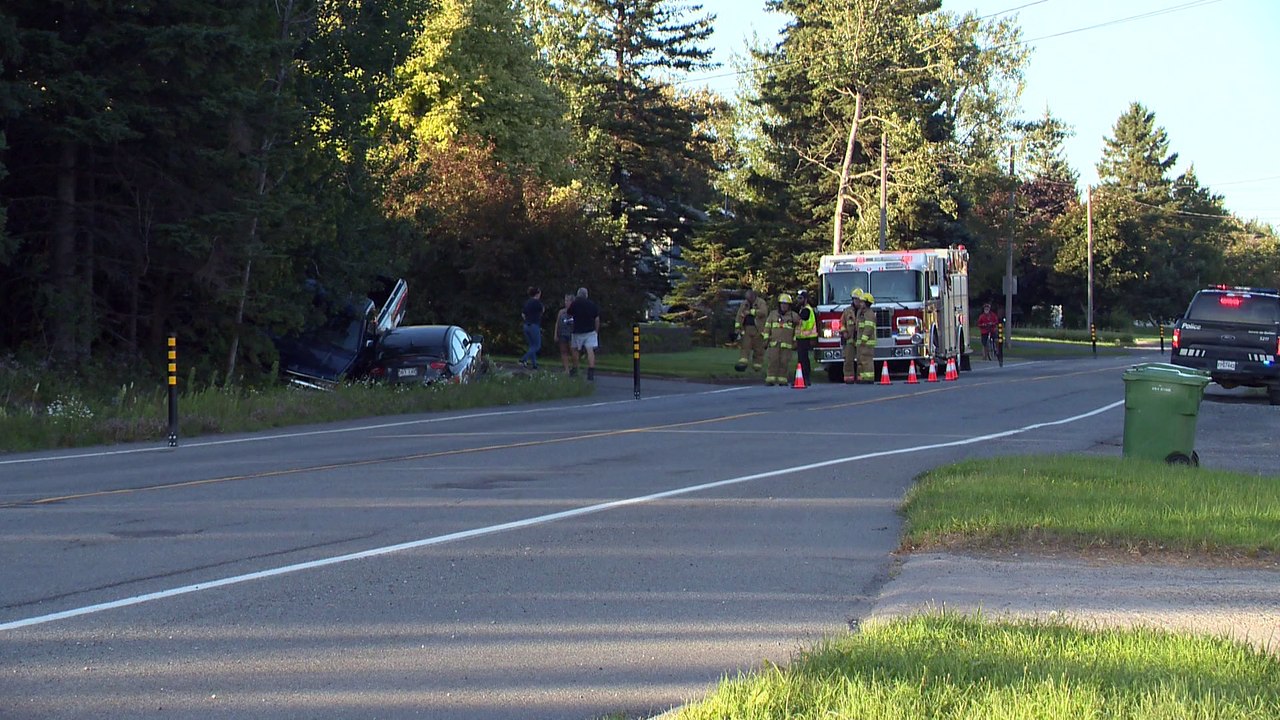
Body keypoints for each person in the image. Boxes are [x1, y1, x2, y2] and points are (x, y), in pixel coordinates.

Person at [762, 293, 801, 386]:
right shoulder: (773, 314)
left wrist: (796, 340)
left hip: (787, 345)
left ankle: (782, 380)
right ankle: (770, 379)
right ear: (779, 305)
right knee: (772, 361)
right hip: (773, 344)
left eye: (786, 304)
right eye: (782, 304)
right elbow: (767, 327)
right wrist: (765, 340)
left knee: (784, 362)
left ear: (789, 306)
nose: (784, 306)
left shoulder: (793, 316)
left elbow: (799, 329)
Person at [840, 289, 876, 383]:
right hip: (850, 339)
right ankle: (849, 378)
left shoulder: (864, 311)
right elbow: (842, 323)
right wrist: (844, 332)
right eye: (855, 299)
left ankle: (862, 377)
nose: (858, 302)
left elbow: (868, 326)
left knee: (862, 360)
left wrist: (863, 339)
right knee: (848, 360)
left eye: (859, 300)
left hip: (861, 339)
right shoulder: (847, 311)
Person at [567, 287, 600, 380]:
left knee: (574, 349)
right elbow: (597, 319)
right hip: (590, 331)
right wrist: (596, 331)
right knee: (590, 351)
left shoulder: (575, 304)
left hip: (577, 330)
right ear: (586, 295)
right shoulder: (592, 305)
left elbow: (569, 314)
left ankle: (575, 368)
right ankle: (591, 371)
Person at [733, 288, 769, 373]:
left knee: (758, 349)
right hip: (746, 329)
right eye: (747, 298)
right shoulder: (744, 304)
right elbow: (739, 316)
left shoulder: (761, 302)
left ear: (754, 297)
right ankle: (743, 363)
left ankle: (757, 366)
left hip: (758, 329)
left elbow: (763, 312)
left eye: (749, 298)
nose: (748, 301)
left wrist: (751, 312)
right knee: (745, 346)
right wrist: (737, 328)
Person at [794, 289, 817, 387]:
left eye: (800, 298)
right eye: (798, 298)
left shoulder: (806, 310)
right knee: (802, 359)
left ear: (805, 299)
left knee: (803, 359)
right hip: (802, 337)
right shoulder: (803, 309)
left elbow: (799, 320)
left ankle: (805, 378)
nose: (798, 300)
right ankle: (802, 377)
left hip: (805, 337)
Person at [519, 287, 544, 369]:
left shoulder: (527, 302)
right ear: (537, 294)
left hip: (526, 325)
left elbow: (523, 314)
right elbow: (542, 310)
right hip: (534, 325)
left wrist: (527, 320)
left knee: (531, 346)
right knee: (537, 346)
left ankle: (534, 364)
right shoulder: (537, 303)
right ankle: (523, 359)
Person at [554, 293, 575, 374]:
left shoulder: (575, 312)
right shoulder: (561, 312)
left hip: (571, 334)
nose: (566, 302)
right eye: (565, 300)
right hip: (562, 334)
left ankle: (574, 367)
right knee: (563, 351)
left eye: (567, 300)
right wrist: (556, 334)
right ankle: (566, 369)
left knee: (573, 351)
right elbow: (557, 323)